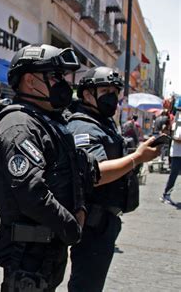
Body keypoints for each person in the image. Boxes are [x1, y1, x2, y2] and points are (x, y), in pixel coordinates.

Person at [0, 44, 99, 291]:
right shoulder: (19, 125)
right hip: (28, 253)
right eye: (56, 76)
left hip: (49, 248)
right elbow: (31, 193)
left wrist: (78, 208)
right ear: (30, 80)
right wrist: (71, 226)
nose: (64, 83)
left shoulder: (49, 122)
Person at [66, 66, 160, 292]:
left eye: (115, 91)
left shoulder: (103, 123)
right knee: (86, 285)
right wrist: (137, 158)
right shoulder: (83, 126)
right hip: (92, 223)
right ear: (87, 93)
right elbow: (95, 174)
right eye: (105, 89)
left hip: (105, 221)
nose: (112, 96)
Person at [160, 107, 181, 205]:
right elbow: (176, 138)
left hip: (177, 152)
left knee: (174, 174)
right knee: (174, 175)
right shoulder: (178, 121)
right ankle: (165, 195)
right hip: (177, 153)